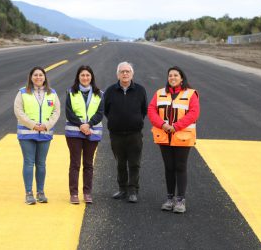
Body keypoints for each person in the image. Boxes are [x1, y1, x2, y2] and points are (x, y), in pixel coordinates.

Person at [148, 66, 200, 213]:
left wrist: (176, 127)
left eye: (176, 75)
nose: (172, 78)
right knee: (169, 167)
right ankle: (169, 198)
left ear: (181, 78)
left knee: (180, 167)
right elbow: (151, 110)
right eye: (170, 75)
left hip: (182, 136)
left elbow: (194, 113)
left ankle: (180, 200)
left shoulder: (191, 94)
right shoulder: (159, 93)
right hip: (164, 135)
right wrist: (163, 125)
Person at [14, 66, 60, 205]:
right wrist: (32, 125)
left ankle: (40, 192)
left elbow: (56, 112)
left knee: (41, 164)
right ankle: (29, 193)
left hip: (45, 133)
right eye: (35, 75)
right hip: (27, 133)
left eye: (41, 75)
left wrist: (47, 125)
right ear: (31, 77)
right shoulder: (22, 92)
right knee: (29, 162)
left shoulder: (52, 93)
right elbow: (18, 111)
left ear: (45, 77)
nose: (38, 77)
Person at [104, 62, 147, 203]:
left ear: (132, 74)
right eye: (122, 71)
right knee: (120, 163)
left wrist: (135, 121)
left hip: (134, 134)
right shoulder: (110, 91)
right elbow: (105, 110)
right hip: (116, 134)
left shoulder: (140, 90)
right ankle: (122, 189)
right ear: (117, 74)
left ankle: (133, 190)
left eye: (127, 71)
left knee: (134, 164)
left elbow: (144, 110)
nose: (125, 74)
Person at [65, 65, 104, 204]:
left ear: (91, 77)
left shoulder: (99, 93)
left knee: (88, 164)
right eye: (82, 75)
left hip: (92, 132)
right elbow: (69, 112)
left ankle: (87, 193)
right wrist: (81, 125)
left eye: (88, 75)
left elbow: (100, 113)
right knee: (75, 163)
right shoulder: (71, 92)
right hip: (74, 133)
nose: (85, 78)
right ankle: (74, 194)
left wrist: (89, 125)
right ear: (78, 77)